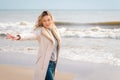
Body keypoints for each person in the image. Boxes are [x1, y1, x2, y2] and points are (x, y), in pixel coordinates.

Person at [6, 11, 61, 80]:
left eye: (48, 20)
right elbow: (30, 35)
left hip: (53, 64)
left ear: (51, 20)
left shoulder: (55, 31)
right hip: (45, 65)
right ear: (41, 22)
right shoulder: (41, 31)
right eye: (44, 21)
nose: (47, 22)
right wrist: (18, 37)